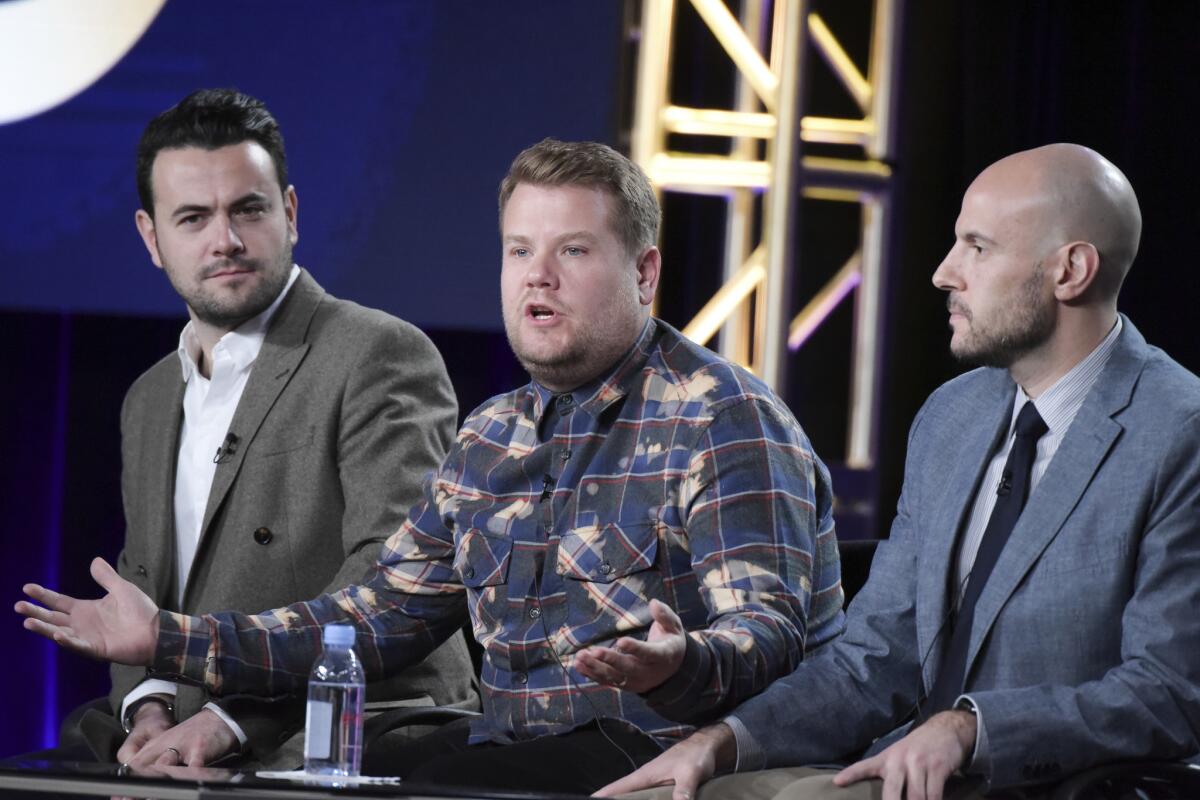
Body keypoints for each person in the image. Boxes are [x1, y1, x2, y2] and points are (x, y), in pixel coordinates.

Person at [17, 138, 844, 795]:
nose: (538, 278)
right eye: (520, 251)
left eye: (573, 252)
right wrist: (168, 638)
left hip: (642, 745)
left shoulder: (720, 415)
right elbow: (373, 617)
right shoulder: (491, 436)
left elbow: (769, 632)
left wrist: (680, 665)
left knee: (443, 776)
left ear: (645, 271)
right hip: (511, 748)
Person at [596, 143, 1200, 800]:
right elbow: (874, 657)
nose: (944, 273)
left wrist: (972, 730)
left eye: (978, 247)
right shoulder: (952, 416)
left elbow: (1168, 693)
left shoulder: (1180, 430)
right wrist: (725, 740)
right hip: (899, 766)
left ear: (1071, 270)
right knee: (671, 792)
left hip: (1053, 783)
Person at [61, 88, 477, 771]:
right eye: (192, 218)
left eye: (247, 210)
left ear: (289, 212)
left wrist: (231, 718)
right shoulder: (149, 398)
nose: (224, 240)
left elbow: (395, 584)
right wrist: (151, 705)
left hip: (353, 731)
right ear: (151, 237)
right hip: (192, 746)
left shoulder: (378, 353)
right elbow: (150, 588)